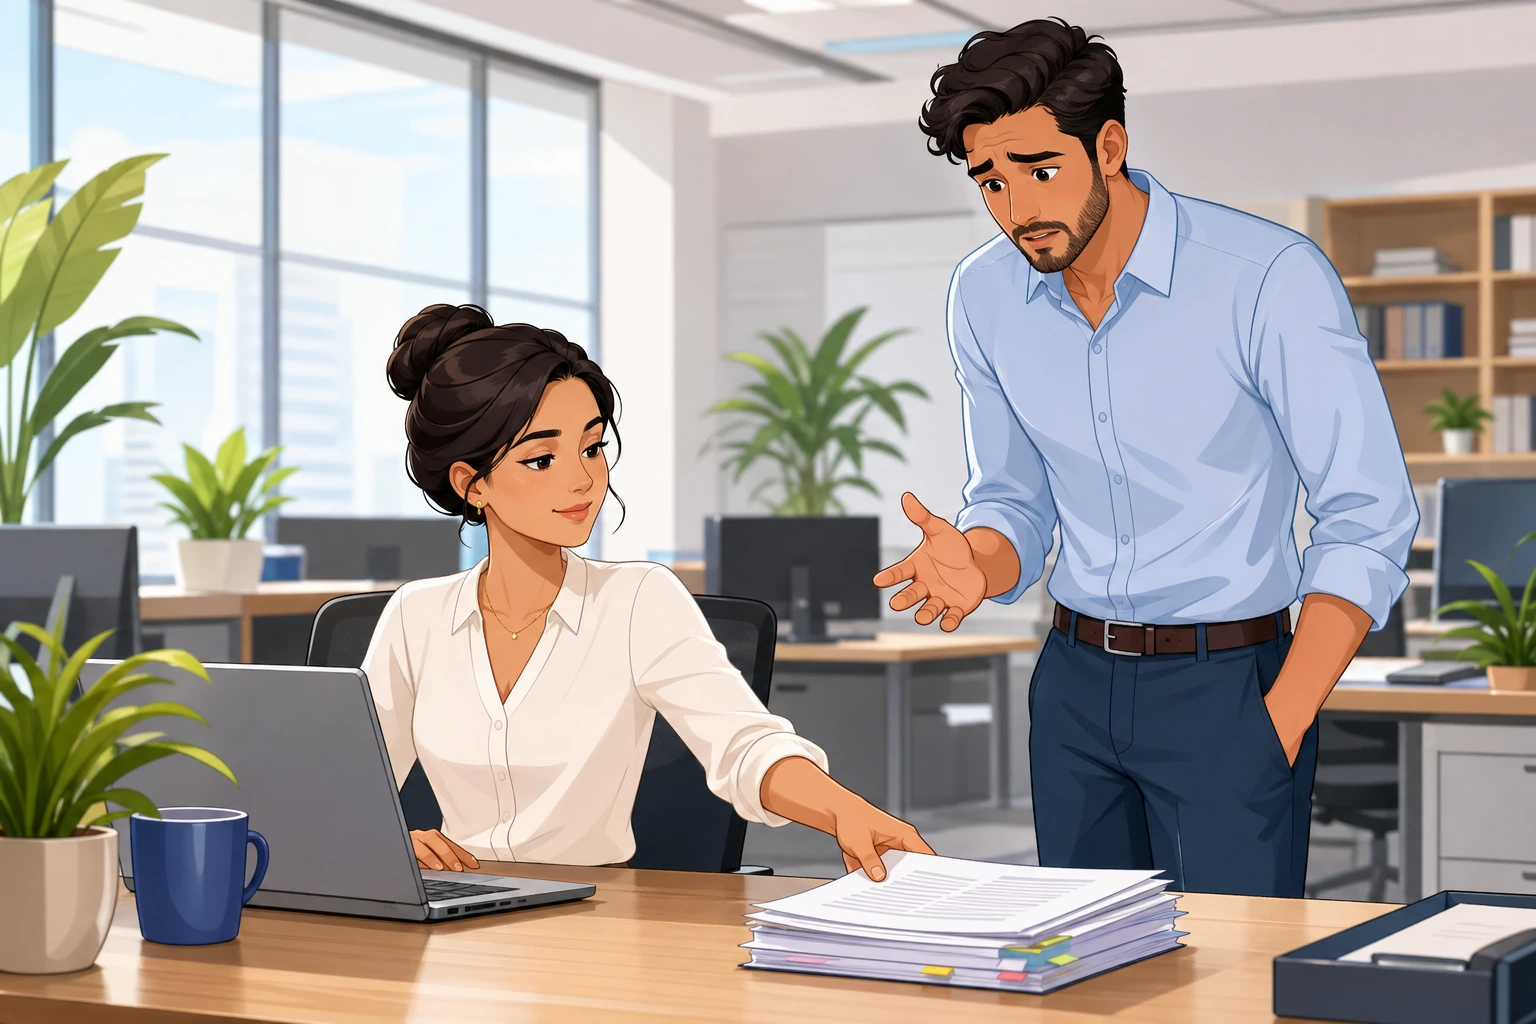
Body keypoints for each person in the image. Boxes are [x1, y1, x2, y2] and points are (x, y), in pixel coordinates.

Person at [874, 19, 1417, 897]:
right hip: (1075, 688)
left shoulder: (1266, 276)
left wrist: (1277, 721)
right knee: (1088, 967)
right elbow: (1013, 499)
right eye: (991, 182)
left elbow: (1367, 514)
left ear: (1111, 146)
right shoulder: (983, 294)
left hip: (1230, 685)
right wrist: (978, 560)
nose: (1018, 210)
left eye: (1040, 170)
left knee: (1228, 977)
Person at [363, 302, 932, 879]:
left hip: (591, 919)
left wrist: (842, 810)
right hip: (452, 918)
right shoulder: (417, 616)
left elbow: (743, 744)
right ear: (472, 483)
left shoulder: (637, 600)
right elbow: (347, 787)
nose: (583, 478)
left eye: (591, 447)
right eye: (541, 458)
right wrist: (391, 841)